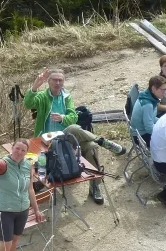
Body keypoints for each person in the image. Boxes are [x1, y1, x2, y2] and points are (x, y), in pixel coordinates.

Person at [24, 68, 126, 205]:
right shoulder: (43, 96)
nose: (58, 83)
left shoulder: (66, 97)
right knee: (78, 132)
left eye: (61, 80)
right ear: (48, 81)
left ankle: (95, 186)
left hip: (66, 139)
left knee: (91, 146)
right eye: (55, 80)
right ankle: (101, 140)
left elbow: (73, 117)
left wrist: (62, 118)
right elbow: (28, 104)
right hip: (47, 141)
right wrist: (35, 86)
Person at [130, 75, 166, 145]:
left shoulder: (146, 95)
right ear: (153, 89)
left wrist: (164, 123)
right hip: (141, 137)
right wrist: (164, 130)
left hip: (139, 132)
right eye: (162, 90)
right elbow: (149, 128)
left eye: (165, 89)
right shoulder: (148, 104)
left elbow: (152, 118)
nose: (164, 92)